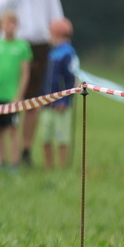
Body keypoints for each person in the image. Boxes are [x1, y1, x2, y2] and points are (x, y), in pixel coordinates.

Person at [0, 0, 64, 166]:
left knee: (32, 99)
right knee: (1, 97)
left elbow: (54, 9)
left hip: (38, 43)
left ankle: (26, 148)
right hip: (9, 45)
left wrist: (58, 34)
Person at [0, 11, 32, 171]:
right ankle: (2, 161)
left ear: (17, 26)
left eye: (12, 23)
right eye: (6, 23)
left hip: (12, 96)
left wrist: (19, 94)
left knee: (12, 129)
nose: (9, 27)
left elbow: (25, 73)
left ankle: (15, 163)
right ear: (0, 26)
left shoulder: (23, 47)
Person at [40, 18, 79, 169]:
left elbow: (71, 80)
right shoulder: (52, 53)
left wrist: (65, 100)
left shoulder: (68, 53)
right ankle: (48, 166)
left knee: (61, 137)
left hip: (61, 104)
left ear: (59, 34)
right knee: (46, 136)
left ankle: (62, 166)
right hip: (47, 102)